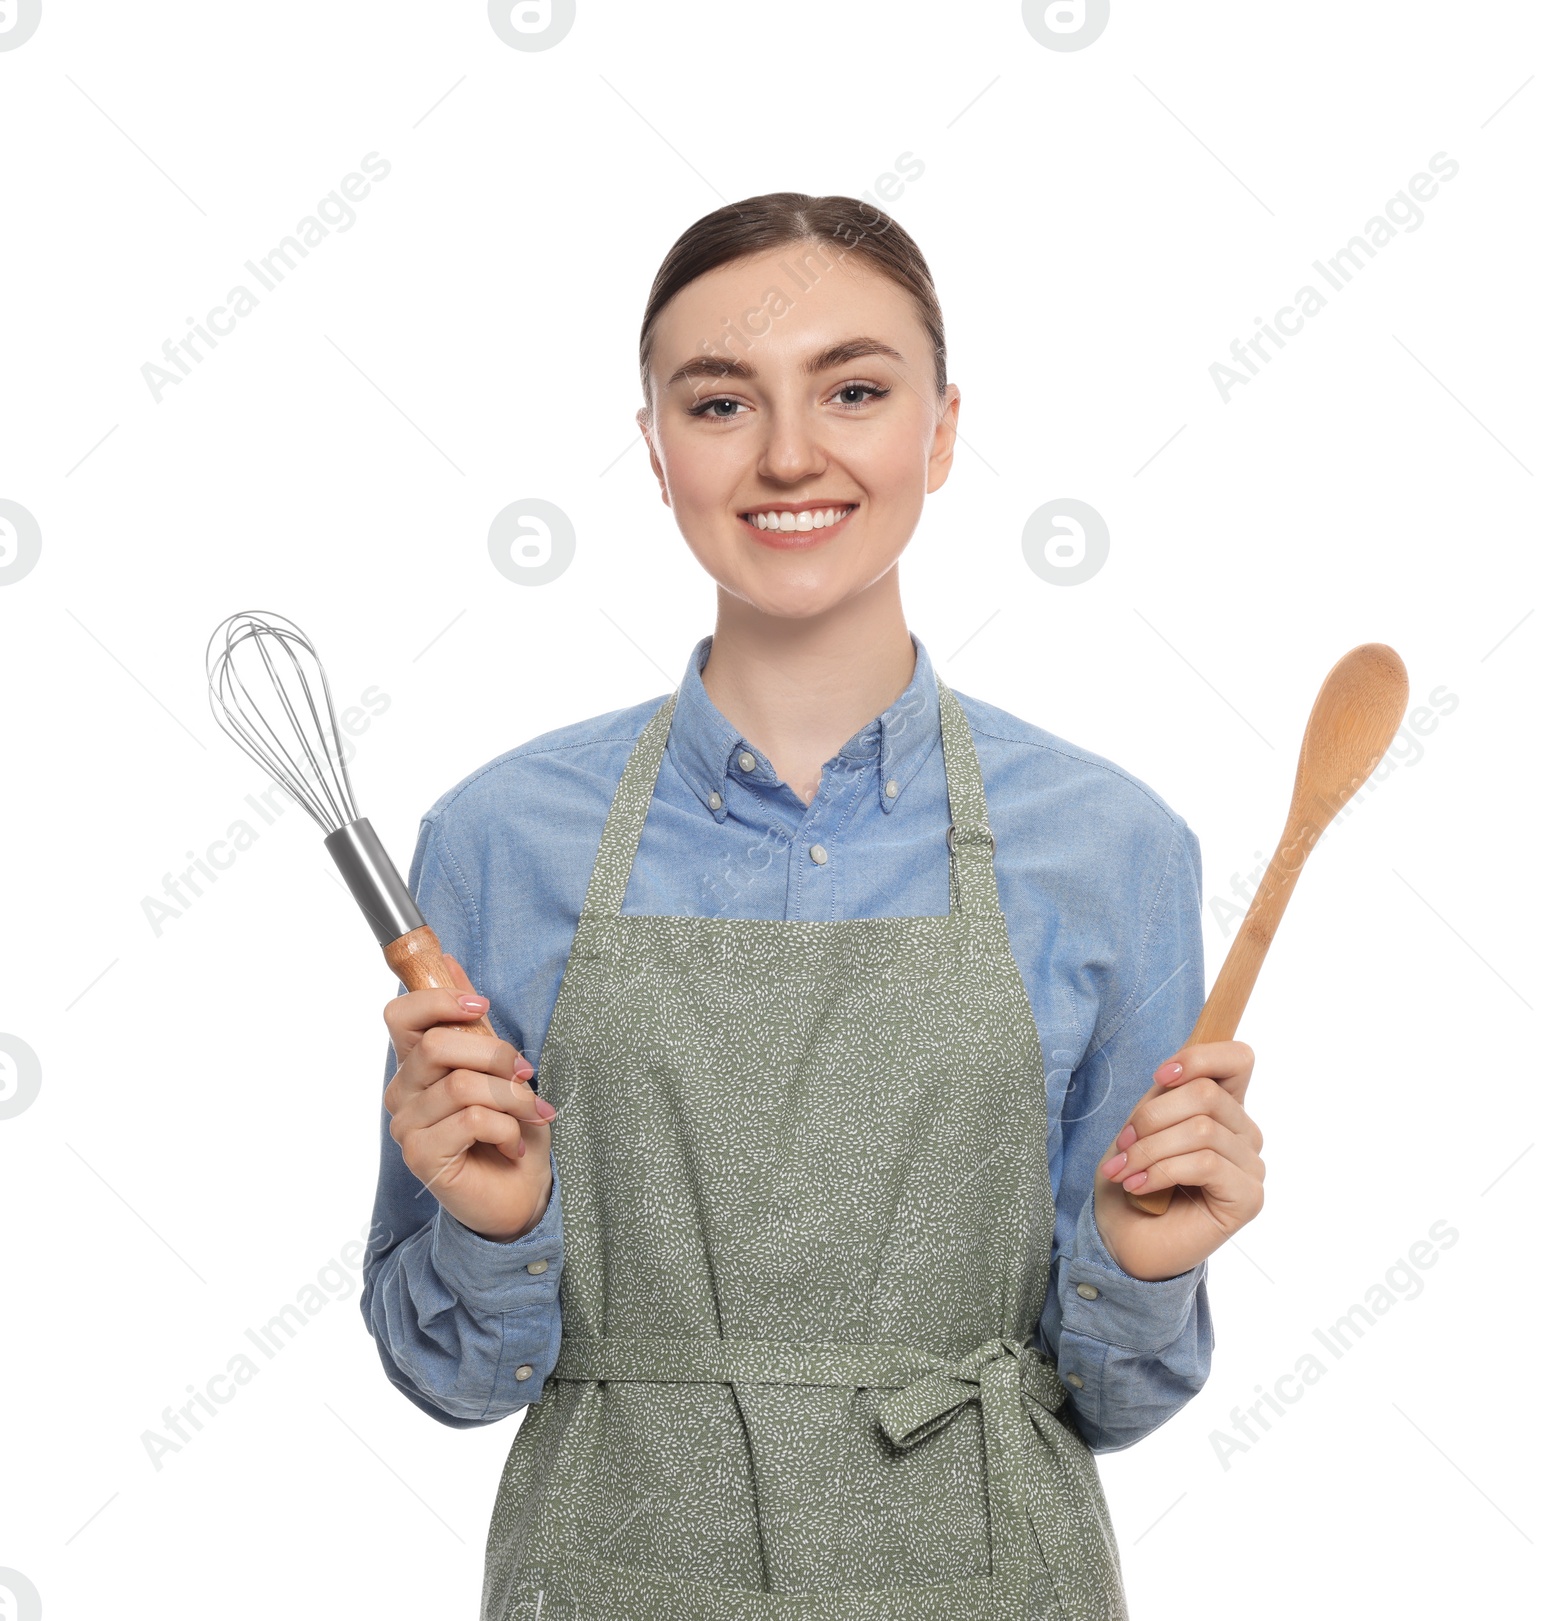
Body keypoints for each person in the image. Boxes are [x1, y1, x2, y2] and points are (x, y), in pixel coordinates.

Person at [360, 192, 1267, 1620]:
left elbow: (1118, 1395)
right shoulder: (496, 841)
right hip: (608, 1576)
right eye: (720, 402)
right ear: (655, 452)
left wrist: (1143, 1264)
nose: (790, 453)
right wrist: (494, 1224)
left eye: (854, 389)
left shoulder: (1112, 847)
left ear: (943, 430)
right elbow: (450, 1379)